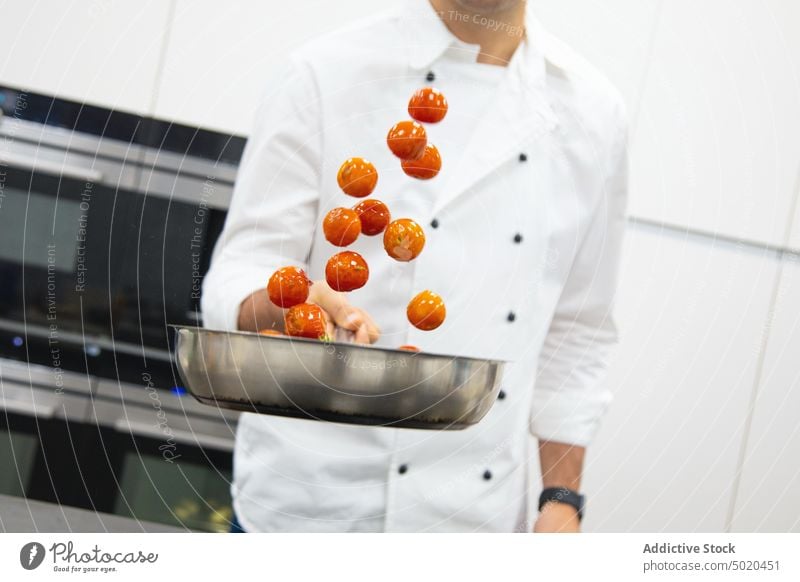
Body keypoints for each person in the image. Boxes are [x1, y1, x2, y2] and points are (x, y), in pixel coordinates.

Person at [202, 0, 628, 532]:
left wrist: (562, 501)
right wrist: (289, 300)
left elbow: (578, 328)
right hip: (305, 508)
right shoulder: (325, 72)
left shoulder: (593, 112)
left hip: (470, 522)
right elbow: (242, 268)